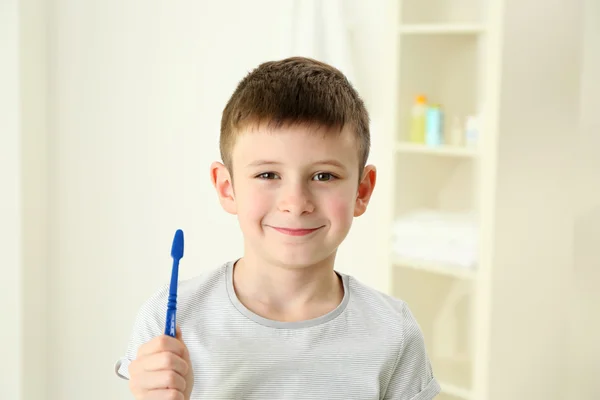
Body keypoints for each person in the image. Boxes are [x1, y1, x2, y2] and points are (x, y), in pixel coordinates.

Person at [115, 56, 441, 400]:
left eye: (323, 176)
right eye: (268, 175)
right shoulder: (170, 320)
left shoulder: (394, 332)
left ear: (362, 190)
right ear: (227, 188)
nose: (296, 201)